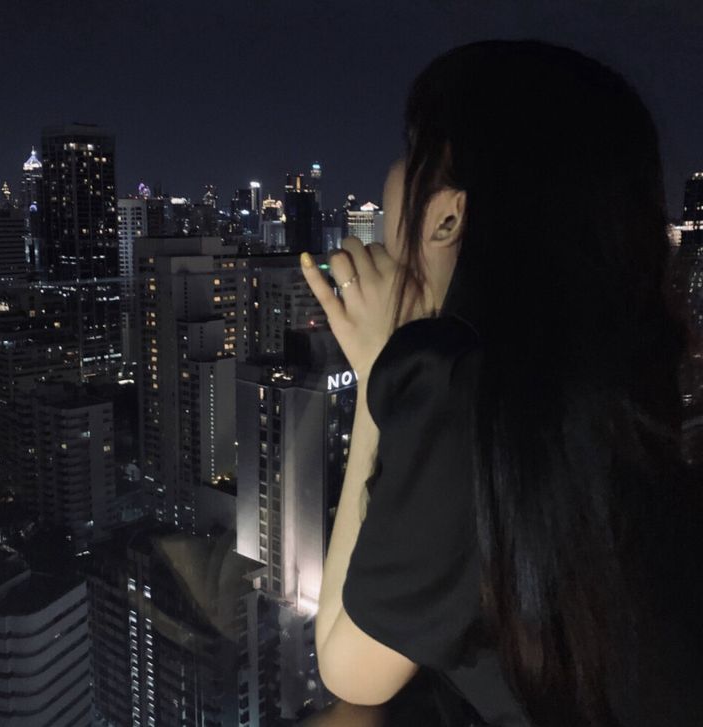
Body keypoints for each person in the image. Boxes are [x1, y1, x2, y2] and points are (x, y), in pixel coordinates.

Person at [301, 39, 702, 727]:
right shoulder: (598, 387)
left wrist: (381, 369)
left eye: (410, 148)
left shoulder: (462, 396)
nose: (392, 172)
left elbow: (346, 665)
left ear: (449, 215)